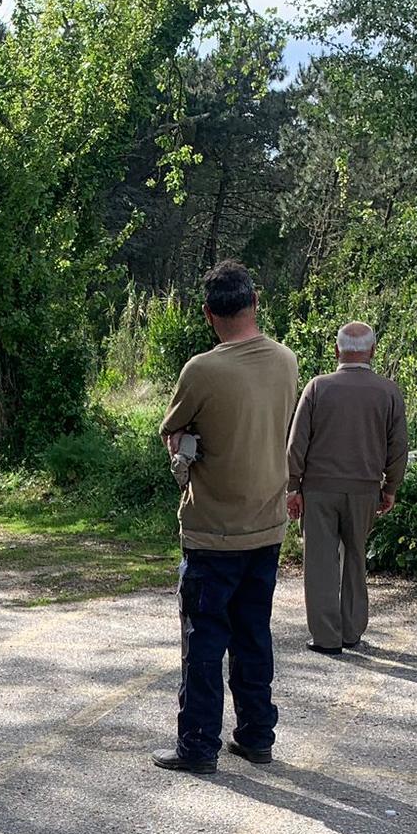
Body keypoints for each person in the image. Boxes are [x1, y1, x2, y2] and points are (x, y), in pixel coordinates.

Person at [155, 260, 298, 774]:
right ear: (255, 302)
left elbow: (173, 431)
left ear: (208, 314)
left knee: (204, 640)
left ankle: (198, 746)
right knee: (254, 634)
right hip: (267, 523)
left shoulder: (203, 369)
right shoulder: (286, 360)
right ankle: (257, 734)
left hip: (213, 530)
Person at [287, 322, 408, 654]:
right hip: (365, 489)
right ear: (372, 351)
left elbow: (297, 443)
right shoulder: (388, 391)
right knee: (355, 557)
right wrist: (390, 487)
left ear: (337, 350)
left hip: (319, 490)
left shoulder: (317, 387)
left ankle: (326, 638)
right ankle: (352, 631)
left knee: (321, 563)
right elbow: (397, 447)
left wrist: (292, 486)